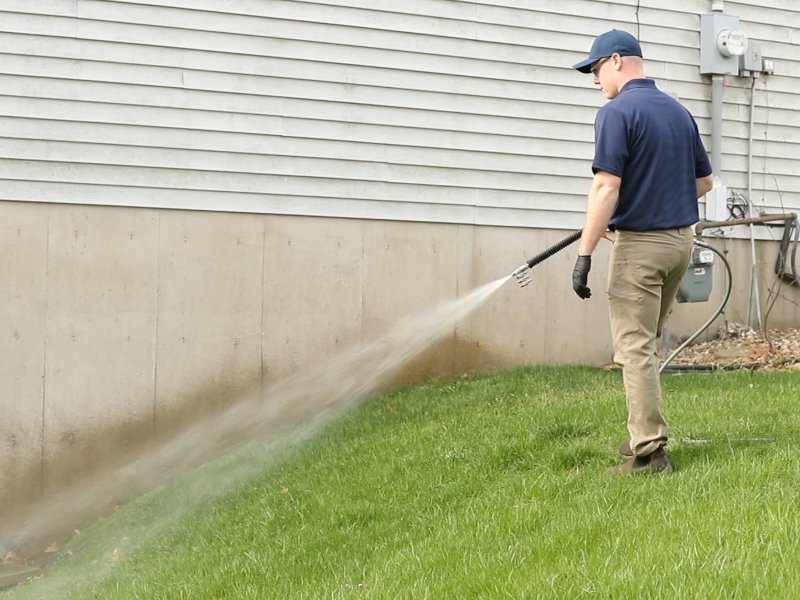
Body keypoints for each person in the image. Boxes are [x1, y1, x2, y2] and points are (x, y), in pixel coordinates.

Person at [571, 29, 714, 474]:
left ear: (617, 60)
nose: (595, 80)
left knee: (632, 348)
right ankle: (642, 433)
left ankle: (650, 452)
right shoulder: (678, 112)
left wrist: (585, 252)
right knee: (646, 344)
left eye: (595, 69)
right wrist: (654, 198)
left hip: (642, 248)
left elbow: (606, 186)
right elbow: (704, 182)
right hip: (679, 243)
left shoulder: (616, 113)